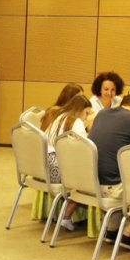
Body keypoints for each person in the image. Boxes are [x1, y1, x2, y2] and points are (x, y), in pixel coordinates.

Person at [87, 93, 130, 250]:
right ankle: (128, 234)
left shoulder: (103, 113)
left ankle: (111, 230)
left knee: (121, 174)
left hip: (92, 183)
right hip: (112, 188)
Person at [41, 94, 93, 231]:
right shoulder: (76, 122)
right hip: (56, 170)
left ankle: (66, 216)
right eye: (86, 113)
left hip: (43, 166)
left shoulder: (57, 116)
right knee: (91, 178)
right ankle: (66, 216)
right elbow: (85, 148)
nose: (87, 117)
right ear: (79, 110)